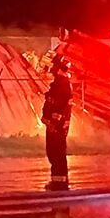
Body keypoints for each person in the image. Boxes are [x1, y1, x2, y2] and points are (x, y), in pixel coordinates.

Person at [42, 58, 73, 191]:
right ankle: (60, 181)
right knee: (56, 153)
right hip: (56, 125)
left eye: (55, 67)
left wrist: (53, 123)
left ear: (60, 69)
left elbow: (59, 107)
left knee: (56, 153)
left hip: (56, 126)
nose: (52, 69)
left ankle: (59, 183)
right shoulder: (59, 84)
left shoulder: (62, 85)